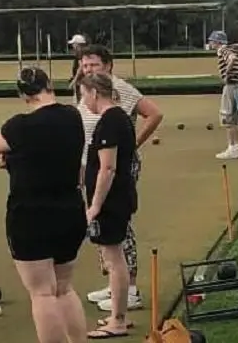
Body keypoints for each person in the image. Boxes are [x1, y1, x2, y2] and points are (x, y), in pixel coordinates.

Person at [0, 67, 88, 343]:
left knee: (42, 293)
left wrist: (8, 158)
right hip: (70, 210)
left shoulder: (20, 126)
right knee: (64, 289)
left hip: (31, 216)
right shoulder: (72, 116)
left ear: (22, 94)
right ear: (49, 85)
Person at [78, 45, 163, 313]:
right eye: (84, 64)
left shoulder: (118, 90)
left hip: (113, 164)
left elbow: (155, 113)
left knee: (116, 221)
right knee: (102, 226)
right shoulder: (86, 89)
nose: (88, 69)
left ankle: (130, 288)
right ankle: (116, 284)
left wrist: (131, 146)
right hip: (96, 162)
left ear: (108, 65)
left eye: (93, 64)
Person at [79, 72, 139, 339]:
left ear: (94, 92)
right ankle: (118, 314)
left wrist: (94, 205)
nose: (84, 101)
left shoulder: (111, 121)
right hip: (118, 199)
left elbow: (108, 168)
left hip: (112, 201)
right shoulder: (116, 119)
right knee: (114, 258)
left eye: (84, 94)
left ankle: (118, 320)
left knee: (114, 259)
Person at [207, 30, 238, 160]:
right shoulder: (228, 49)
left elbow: (232, 59)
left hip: (231, 85)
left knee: (227, 116)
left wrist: (227, 74)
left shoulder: (222, 50)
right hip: (237, 85)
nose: (210, 43)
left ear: (217, 42)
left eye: (211, 41)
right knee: (233, 117)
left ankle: (232, 148)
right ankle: (235, 147)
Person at [67, 34, 89, 101]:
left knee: (81, 100)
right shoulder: (85, 51)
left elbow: (81, 67)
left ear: (77, 44)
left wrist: (74, 80)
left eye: (73, 44)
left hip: (81, 80)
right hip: (84, 80)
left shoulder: (79, 52)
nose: (72, 45)